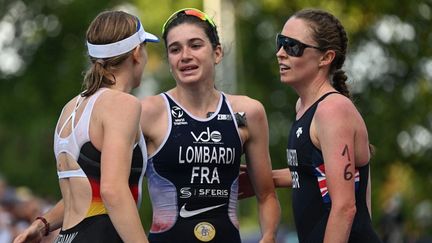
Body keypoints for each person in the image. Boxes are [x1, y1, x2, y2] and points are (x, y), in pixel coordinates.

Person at [13, 10, 158, 243]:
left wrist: (42, 224)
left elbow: (80, 194)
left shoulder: (71, 108)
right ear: (137, 52)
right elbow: (112, 191)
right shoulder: (123, 105)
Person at [240, 8, 383, 243]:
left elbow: (345, 207)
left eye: (292, 46)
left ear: (325, 58)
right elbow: (312, 172)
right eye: (280, 42)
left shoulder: (332, 110)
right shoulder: (304, 107)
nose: (280, 53)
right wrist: (264, 178)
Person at [139, 8, 280, 243]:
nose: (185, 56)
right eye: (175, 49)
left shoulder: (247, 111)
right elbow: (113, 187)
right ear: (169, 60)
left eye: (195, 45)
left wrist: (268, 236)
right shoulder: (148, 112)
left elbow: (266, 195)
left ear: (217, 53)